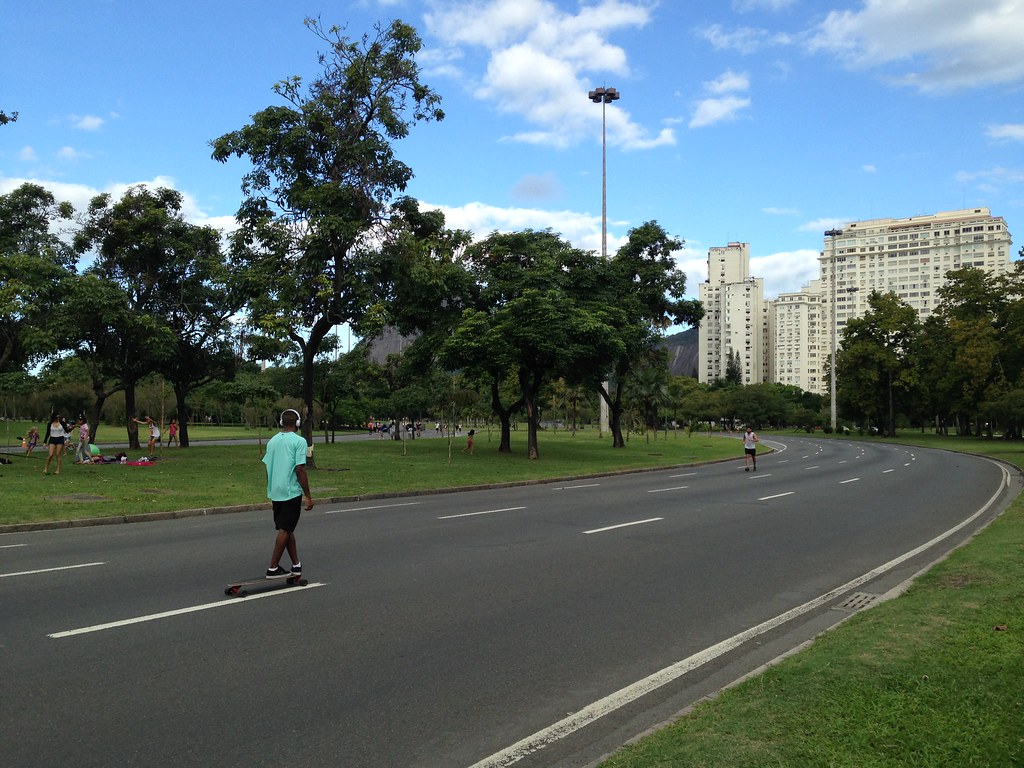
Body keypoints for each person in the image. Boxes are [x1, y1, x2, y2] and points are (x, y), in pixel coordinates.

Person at [263, 408, 313, 578]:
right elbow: (300, 469)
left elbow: (267, 467)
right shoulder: (299, 441)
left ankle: (296, 565)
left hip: (276, 491)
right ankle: (273, 567)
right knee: (285, 528)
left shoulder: (272, 441)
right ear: (297, 423)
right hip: (291, 492)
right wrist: (308, 495)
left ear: (282, 422)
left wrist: (271, 486)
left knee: (287, 528)